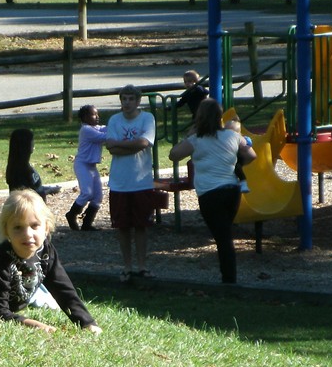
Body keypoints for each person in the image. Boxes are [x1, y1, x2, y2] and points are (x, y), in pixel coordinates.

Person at [0, 189, 101, 334]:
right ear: (6, 231)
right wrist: (32, 324)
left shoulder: (46, 251)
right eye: (18, 227)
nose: (27, 234)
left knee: (47, 298)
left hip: (27, 285)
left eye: (35, 225)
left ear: (46, 228)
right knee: (26, 286)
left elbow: (63, 289)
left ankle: (40, 294)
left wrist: (87, 323)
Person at [168, 97, 256, 284]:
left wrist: (187, 136)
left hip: (209, 193)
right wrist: (237, 163)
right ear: (219, 116)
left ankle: (229, 280)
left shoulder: (196, 140)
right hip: (232, 190)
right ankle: (228, 275)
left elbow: (173, 155)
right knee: (224, 232)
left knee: (223, 238)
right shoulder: (232, 136)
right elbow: (251, 155)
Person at [105, 84, 157, 283]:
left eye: (131, 99)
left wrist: (120, 144)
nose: (127, 103)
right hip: (119, 182)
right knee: (122, 227)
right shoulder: (114, 120)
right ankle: (127, 266)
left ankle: (142, 266)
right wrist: (130, 146)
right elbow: (111, 149)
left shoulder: (147, 118)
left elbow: (144, 142)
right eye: (124, 99)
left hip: (141, 181)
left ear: (138, 101)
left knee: (141, 225)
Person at [65, 104, 108, 231]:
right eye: (93, 114)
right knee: (87, 193)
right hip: (82, 164)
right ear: (84, 117)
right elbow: (103, 137)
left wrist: (117, 124)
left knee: (98, 196)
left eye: (97, 114)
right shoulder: (86, 130)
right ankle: (71, 214)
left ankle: (87, 223)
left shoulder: (95, 128)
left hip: (91, 166)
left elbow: (105, 128)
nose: (97, 117)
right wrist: (116, 131)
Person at [5, 128, 60, 200]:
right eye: (31, 140)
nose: (33, 143)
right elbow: (26, 196)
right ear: (24, 145)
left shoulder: (26, 166)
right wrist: (48, 191)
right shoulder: (19, 172)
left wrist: (50, 189)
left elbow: (36, 187)